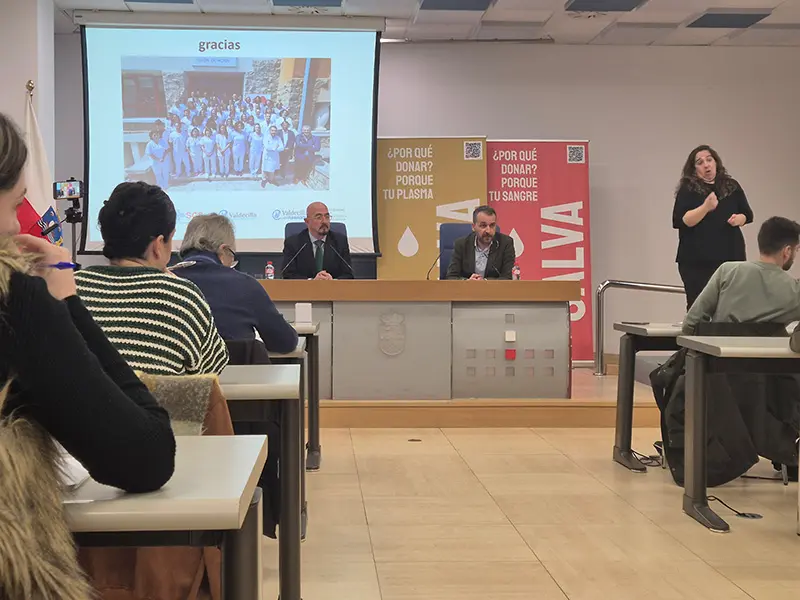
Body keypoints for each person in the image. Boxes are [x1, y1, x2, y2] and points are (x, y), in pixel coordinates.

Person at [0, 112, 176, 490]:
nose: (17, 227)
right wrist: (65, 301)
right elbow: (147, 458)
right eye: (16, 206)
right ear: (160, 244)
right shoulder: (15, 302)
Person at [75, 182, 229, 376]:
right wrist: (175, 286)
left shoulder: (71, 288)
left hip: (77, 406)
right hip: (152, 406)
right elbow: (213, 370)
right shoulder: (183, 297)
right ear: (158, 245)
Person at [171, 213, 298, 352]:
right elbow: (285, 342)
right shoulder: (245, 286)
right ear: (223, 249)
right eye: (232, 254)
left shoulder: (163, 282)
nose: (232, 260)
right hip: (236, 373)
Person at [682, 216, 800, 334]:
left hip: (719, 351)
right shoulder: (795, 291)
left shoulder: (727, 271)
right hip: (767, 352)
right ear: (787, 251)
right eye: (796, 250)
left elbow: (691, 324)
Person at [673, 145, 754, 309]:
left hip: (730, 257)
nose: (706, 165)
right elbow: (681, 220)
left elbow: (747, 214)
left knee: (731, 306)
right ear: (694, 169)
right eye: (700, 162)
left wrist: (739, 219)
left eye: (709, 160)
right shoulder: (688, 189)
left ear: (716, 162)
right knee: (700, 307)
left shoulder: (731, 186)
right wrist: (705, 207)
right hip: (697, 261)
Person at [281, 202, 354, 280]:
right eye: (319, 217)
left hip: (333, 290)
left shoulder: (340, 241)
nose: (324, 221)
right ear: (307, 221)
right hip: (304, 291)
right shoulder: (293, 243)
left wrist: (333, 281)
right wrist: (312, 281)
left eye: (327, 217)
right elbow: (287, 275)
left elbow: (348, 274)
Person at [445, 205, 516, 280]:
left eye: (492, 225)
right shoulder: (461, 244)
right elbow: (451, 277)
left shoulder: (506, 243)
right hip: (466, 290)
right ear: (473, 227)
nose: (488, 230)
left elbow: (507, 278)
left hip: (494, 290)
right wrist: (467, 281)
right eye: (483, 226)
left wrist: (484, 282)